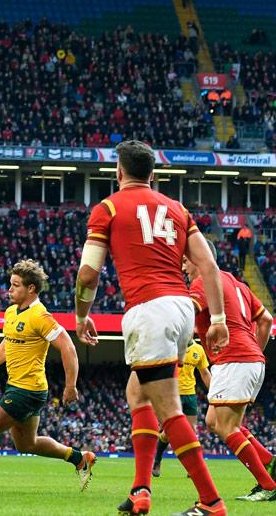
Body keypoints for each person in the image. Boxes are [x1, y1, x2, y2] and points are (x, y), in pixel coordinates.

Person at [74, 140, 229, 516]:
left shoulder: (108, 207)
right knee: (138, 395)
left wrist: (81, 315)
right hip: (179, 311)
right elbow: (208, 265)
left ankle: (211, 501)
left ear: (119, 172)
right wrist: (219, 319)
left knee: (169, 409)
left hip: (149, 310)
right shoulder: (177, 209)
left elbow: (89, 273)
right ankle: (141, 490)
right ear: (153, 175)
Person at [0, 260, 95, 493]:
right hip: (18, 386)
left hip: (28, 390)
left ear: (31, 288)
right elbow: (8, 343)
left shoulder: (40, 316)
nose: (9, 290)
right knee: (27, 443)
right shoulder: (12, 312)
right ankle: (79, 458)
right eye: (10, 284)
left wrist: (70, 386)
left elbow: (68, 347)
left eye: (15, 286)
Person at [187, 244, 276, 502]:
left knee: (226, 426)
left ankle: (268, 484)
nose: (183, 265)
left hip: (234, 359)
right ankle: (270, 463)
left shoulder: (204, 281)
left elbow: (187, 313)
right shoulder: (239, 284)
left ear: (198, 258)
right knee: (215, 421)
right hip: (248, 359)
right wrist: (253, 352)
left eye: (186, 259)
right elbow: (267, 320)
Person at [152, 337, 211, 477]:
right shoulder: (171, 346)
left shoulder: (198, 349)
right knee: (168, 432)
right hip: (172, 395)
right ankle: (157, 461)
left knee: (191, 432)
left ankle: (192, 467)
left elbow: (205, 373)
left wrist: (214, 393)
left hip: (190, 395)